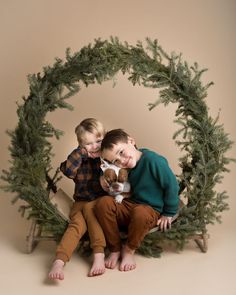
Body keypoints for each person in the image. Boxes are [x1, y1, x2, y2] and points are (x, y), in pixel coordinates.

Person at [95, 129, 179, 272]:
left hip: (150, 209)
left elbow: (171, 185)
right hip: (132, 203)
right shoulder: (125, 166)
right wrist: (103, 179)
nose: (121, 161)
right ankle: (114, 248)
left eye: (121, 152)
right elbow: (116, 180)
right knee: (103, 203)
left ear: (131, 142)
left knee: (140, 213)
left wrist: (169, 213)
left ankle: (128, 250)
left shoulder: (153, 161)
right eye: (115, 161)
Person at [48, 118, 107, 280]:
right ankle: (59, 261)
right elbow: (68, 171)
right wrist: (82, 153)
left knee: (92, 217)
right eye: (88, 144)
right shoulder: (79, 157)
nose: (94, 146)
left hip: (98, 203)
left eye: (98, 141)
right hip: (80, 202)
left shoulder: (106, 156)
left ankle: (98, 256)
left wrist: (103, 153)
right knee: (76, 226)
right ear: (81, 144)